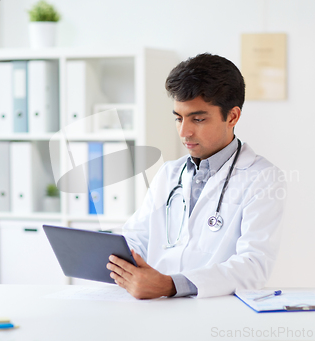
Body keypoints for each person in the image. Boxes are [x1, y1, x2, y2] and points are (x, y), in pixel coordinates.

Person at [106, 53, 286, 299]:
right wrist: (112, 257)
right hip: (158, 309)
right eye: (178, 118)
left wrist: (172, 285)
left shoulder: (262, 177)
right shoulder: (169, 173)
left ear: (232, 117)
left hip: (217, 313)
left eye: (198, 119)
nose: (184, 132)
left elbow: (253, 267)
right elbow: (137, 238)